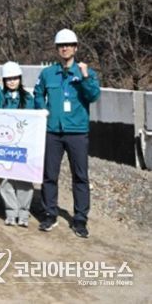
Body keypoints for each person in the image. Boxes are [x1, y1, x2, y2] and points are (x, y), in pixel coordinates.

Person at [34, 28, 100, 238]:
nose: (65, 49)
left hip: (77, 132)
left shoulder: (85, 72)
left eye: (69, 45)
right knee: (49, 175)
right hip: (53, 131)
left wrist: (86, 77)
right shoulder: (47, 73)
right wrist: (42, 110)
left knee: (80, 176)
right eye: (61, 46)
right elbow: (38, 93)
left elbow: (93, 96)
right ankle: (49, 214)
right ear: (57, 49)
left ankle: (80, 219)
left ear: (75, 48)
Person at [0, 61, 35, 227]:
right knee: (6, 179)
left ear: (20, 79)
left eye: (15, 78)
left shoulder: (27, 98)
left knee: (24, 179)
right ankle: (11, 212)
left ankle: (24, 213)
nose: (12, 82)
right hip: (3, 145)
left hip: (21, 145)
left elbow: (31, 119)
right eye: (8, 79)